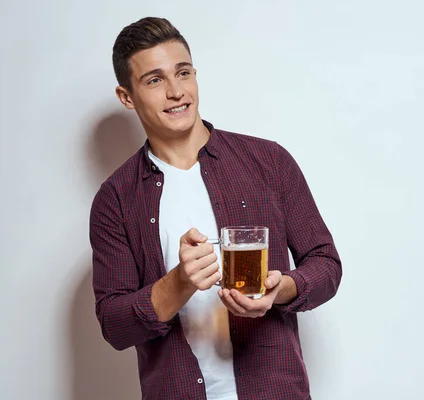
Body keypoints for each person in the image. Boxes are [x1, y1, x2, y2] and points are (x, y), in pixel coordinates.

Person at [89, 16, 342, 400]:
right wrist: (178, 284)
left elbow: (326, 263)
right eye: (155, 80)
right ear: (127, 97)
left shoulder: (268, 161)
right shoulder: (115, 199)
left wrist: (283, 289)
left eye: (183, 72)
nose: (176, 91)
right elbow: (114, 326)